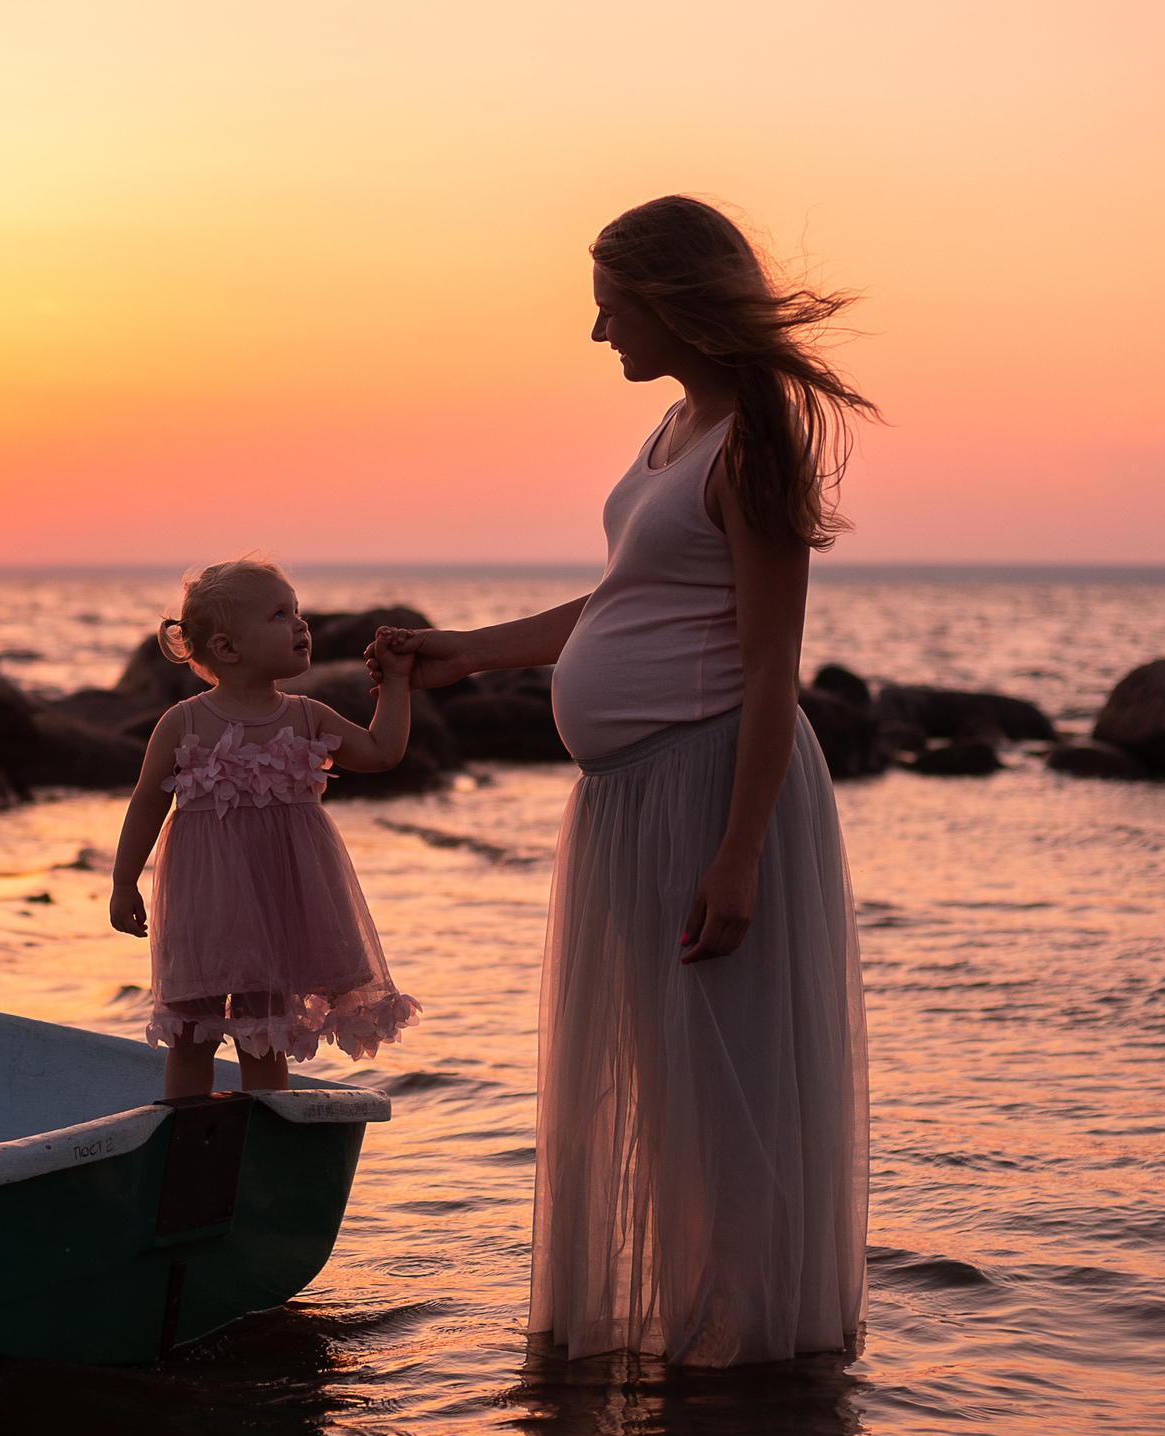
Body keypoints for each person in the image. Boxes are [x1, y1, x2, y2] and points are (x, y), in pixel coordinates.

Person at [375, 196, 876, 1366]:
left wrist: (739, 852)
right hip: (627, 802)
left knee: (723, 1089)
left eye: (612, 308)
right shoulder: (671, 431)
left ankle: (747, 1350)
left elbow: (767, 663)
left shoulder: (754, 438)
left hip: (705, 789)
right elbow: (623, 601)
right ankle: (702, 1327)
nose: (599, 333)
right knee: (662, 1088)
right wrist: (469, 654)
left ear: (672, 302)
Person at [110, 558, 421, 1100]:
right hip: (205, 898)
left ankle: (264, 1138)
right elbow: (144, 805)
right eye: (280, 614)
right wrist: (122, 882)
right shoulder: (183, 722)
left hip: (282, 898)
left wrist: (395, 682)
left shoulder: (307, 716)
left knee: (265, 1032)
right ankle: (187, 1135)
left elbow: (381, 752)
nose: (301, 624)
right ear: (228, 648)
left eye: (297, 611)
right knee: (190, 1027)